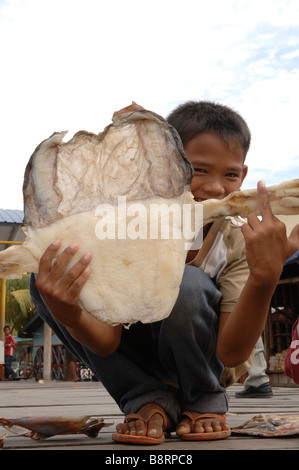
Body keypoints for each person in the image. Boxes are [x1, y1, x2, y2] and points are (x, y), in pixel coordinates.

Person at [29, 101, 299, 444]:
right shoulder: (127, 227)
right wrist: (69, 313)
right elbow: (109, 340)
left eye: (230, 175)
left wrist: (265, 276)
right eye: (198, 170)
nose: (216, 188)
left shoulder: (239, 236)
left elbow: (232, 353)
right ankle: (147, 398)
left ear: (243, 176)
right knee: (46, 276)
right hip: (138, 357)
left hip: (207, 362)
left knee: (184, 285)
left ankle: (204, 399)